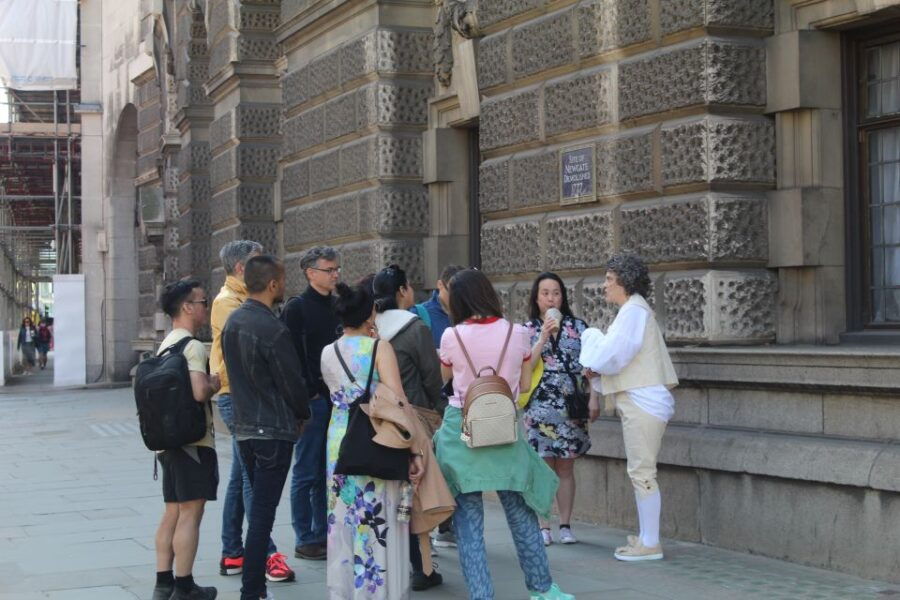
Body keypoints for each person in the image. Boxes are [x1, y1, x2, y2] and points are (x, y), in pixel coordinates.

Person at [434, 269, 574, 600]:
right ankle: (542, 589)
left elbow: (447, 381)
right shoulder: (518, 333)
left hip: (462, 433)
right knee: (521, 512)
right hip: (505, 429)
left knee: (468, 523)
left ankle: (481, 595)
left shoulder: (451, 336)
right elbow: (524, 385)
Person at [320, 282, 427, 599]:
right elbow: (397, 402)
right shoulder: (380, 348)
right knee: (378, 514)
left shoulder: (328, 352)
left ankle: (346, 591)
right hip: (376, 434)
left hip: (340, 436)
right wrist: (415, 449)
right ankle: (380, 591)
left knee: (343, 518)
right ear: (370, 314)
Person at [579, 254, 679, 562]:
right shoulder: (632, 310)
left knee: (642, 470)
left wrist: (592, 355)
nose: (604, 285)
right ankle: (647, 538)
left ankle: (650, 542)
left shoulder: (633, 310)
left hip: (642, 400)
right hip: (640, 398)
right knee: (641, 470)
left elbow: (616, 353)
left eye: (609, 279)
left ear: (625, 280)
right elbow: (617, 354)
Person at [221, 255, 310, 600]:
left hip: (245, 427)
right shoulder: (272, 328)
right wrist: (302, 414)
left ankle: (252, 588)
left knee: (258, 510)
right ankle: (252, 590)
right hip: (272, 430)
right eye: (282, 281)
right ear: (272, 284)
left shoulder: (234, 322)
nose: (284, 287)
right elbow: (291, 383)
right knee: (262, 514)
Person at [210, 241, 295, 583]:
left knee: (240, 475)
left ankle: (233, 552)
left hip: (244, 397)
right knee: (252, 478)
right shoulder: (230, 304)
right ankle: (265, 553)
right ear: (243, 268)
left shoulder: (243, 301)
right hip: (242, 397)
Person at [372, 265, 445, 591]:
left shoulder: (370, 329)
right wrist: (437, 411)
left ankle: (391, 562)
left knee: (387, 495)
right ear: (402, 291)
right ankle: (423, 568)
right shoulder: (414, 329)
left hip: (375, 422)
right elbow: (432, 377)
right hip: (413, 419)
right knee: (417, 496)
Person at [152, 280, 221, 600]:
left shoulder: (166, 344)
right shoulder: (192, 346)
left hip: (168, 443)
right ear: (187, 308)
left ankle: (163, 582)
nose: (205, 307)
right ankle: (184, 586)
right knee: (191, 514)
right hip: (194, 442)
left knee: (173, 512)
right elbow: (198, 391)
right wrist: (215, 382)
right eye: (202, 301)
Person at [281, 246, 342, 561]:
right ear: (310, 272)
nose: (335, 274)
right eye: (329, 269)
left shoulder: (337, 305)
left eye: (336, 269)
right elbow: (289, 355)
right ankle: (305, 537)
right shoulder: (297, 308)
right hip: (314, 401)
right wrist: (307, 394)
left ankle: (323, 532)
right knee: (306, 470)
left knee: (326, 471)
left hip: (338, 400)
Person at [524, 272, 591, 546]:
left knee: (565, 466)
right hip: (539, 406)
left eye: (556, 293)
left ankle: (565, 524)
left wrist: (595, 398)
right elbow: (524, 367)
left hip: (570, 406)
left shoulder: (579, 327)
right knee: (543, 467)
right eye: (545, 293)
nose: (551, 298)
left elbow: (590, 367)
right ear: (536, 298)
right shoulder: (527, 330)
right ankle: (543, 526)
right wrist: (542, 337)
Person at [408, 264, 464, 551]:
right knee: (428, 466)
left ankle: (447, 523)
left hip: (457, 401)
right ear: (440, 285)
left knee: (450, 464)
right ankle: (428, 524)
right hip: (430, 403)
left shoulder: (467, 315)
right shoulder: (421, 315)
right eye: (452, 288)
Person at [409, 264, 465, 348]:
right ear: (440, 284)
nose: (457, 299)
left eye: (463, 294)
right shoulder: (418, 314)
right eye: (453, 293)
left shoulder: (472, 315)